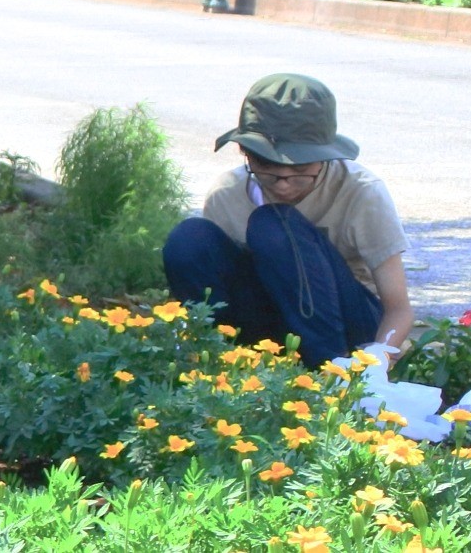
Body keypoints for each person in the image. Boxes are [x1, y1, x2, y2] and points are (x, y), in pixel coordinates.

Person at [161, 73, 413, 369]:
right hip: (269, 323)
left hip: (349, 327)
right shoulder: (227, 194)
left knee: (274, 225)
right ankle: (218, 361)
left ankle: (327, 370)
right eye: (266, 166)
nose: (283, 183)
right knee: (189, 239)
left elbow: (399, 309)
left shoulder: (362, 192)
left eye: (300, 168)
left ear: (326, 157)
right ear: (245, 153)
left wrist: (378, 360)